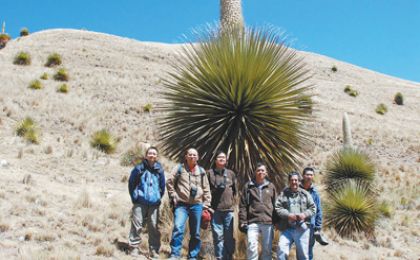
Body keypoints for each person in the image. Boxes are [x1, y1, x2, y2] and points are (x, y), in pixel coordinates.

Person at [167, 148, 211, 260]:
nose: (192, 157)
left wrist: (207, 203)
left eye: (194, 155)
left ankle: (192, 256)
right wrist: (173, 195)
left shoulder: (201, 171)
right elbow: (169, 181)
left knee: (195, 233)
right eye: (190, 155)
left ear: (198, 157)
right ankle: (175, 254)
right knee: (178, 228)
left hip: (197, 205)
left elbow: (206, 188)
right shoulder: (179, 168)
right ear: (186, 156)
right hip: (182, 204)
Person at [127, 146, 165, 258]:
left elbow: (162, 186)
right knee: (137, 224)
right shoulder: (139, 168)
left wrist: (158, 197)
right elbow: (131, 183)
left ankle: (153, 250)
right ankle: (133, 247)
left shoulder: (160, 170)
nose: (152, 155)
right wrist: (135, 197)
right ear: (146, 155)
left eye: (154, 154)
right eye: (150, 153)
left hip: (154, 203)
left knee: (153, 227)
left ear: (157, 156)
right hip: (140, 201)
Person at [239, 163, 277, 260]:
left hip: (268, 222)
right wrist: (243, 221)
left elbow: (276, 204)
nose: (260, 172)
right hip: (252, 221)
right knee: (251, 247)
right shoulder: (248, 186)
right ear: (255, 172)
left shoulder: (271, 186)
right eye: (258, 170)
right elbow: (243, 205)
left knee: (267, 249)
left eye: (262, 170)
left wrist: (276, 221)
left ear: (266, 173)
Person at [275, 172, 316, 260]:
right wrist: (288, 215)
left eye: (296, 180)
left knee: (303, 256)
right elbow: (278, 207)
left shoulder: (305, 194)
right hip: (287, 228)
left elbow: (313, 208)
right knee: (281, 250)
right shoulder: (283, 194)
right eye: (292, 180)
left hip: (302, 229)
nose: (294, 182)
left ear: (298, 181)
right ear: (289, 181)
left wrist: (304, 214)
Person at [207, 151, 237, 260]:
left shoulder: (231, 174)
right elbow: (206, 190)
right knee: (218, 236)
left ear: (226, 160)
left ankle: (229, 256)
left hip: (228, 210)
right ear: (215, 160)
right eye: (219, 157)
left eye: (223, 157)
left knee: (229, 237)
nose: (221, 159)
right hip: (215, 210)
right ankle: (219, 257)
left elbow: (234, 191)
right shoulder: (209, 173)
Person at [300, 167, 326, 260]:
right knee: (300, 250)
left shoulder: (315, 193)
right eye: (307, 174)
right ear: (303, 175)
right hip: (298, 225)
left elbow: (318, 210)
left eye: (311, 175)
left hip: (311, 225)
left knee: (309, 250)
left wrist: (318, 227)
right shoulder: (296, 189)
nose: (309, 177)